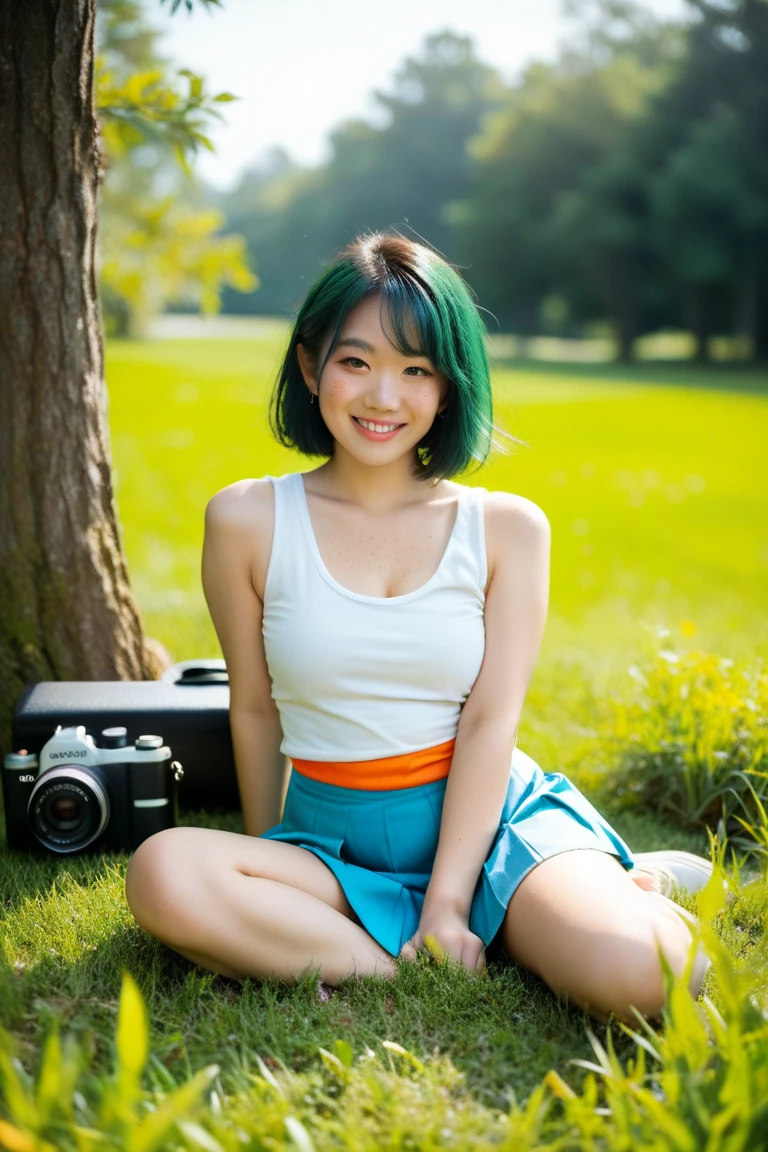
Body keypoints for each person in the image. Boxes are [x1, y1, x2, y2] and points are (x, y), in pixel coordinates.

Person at [125, 231, 712, 1027]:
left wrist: (445, 903)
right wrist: (268, 860)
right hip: (333, 846)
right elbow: (255, 708)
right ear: (310, 366)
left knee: (650, 980)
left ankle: (586, 893)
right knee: (162, 872)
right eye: (356, 361)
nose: (382, 397)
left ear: (447, 386)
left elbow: (489, 719)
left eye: (416, 370)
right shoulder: (247, 520)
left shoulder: (506, 528)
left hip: (491, 827)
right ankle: (405, 964)